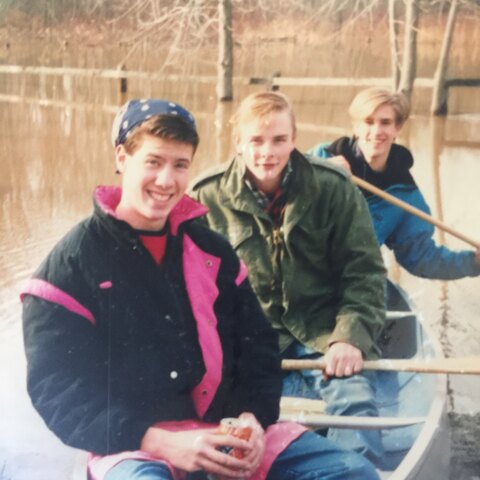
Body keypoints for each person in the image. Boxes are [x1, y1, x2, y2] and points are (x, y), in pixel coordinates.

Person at [21, 99, 379, 480]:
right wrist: (159, 441)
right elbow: (56, 391)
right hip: (137, 444)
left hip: (225, 431)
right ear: (122, 158)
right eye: (154, 162)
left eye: (180, 165)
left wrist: (252, 418)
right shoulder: (70, 266)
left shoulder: (212, 250)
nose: (166, 181)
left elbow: (257, 347)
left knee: (353, 473)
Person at [189, 92, 388, 467]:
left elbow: (364, 272)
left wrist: (349, 337)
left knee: (356, 403)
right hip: (245, 342)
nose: (268, 152)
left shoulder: (333, 187)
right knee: (222, 422)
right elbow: (191, 291)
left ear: (294, 138)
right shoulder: (205, 196)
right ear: (238, 144)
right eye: (256, 141)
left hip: (323, 333)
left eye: (279, 140)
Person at [308, 87, 480, 280]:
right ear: (356, 127)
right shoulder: (321, 157)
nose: (377, 131)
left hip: (349, 283)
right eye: (368, 122)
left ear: (397, 128)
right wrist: (313, 174)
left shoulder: (406, 194)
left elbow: (422, 258)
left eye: (386, 122)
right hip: (299, 270)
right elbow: (275, 185)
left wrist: (473, 261)